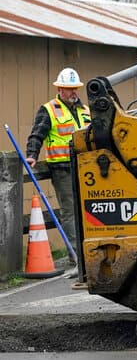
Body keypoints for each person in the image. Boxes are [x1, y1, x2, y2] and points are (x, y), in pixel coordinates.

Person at [25, 67, 91, 277]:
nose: (73, 92)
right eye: (69, 89)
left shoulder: (85, 110)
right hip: (62, 169)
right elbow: (37, 134)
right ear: (60, 89)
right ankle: (77, 258)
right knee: (70, 213)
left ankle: (89, 255)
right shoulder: (49, 109)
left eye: (75, 88)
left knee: (88, 210)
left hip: (86, 167)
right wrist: (32, 154)